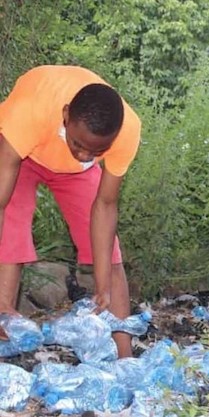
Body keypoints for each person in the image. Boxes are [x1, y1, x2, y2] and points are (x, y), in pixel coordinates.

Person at [0, 65, 141, 358]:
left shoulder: (126, 130)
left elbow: (105, 205)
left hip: (74, 174)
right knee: (11, 227)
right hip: (22, 153)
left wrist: (101, 286)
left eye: (96, 151)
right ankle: (3, 328)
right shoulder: (32, 107)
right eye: (79, 144)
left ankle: (125, 357)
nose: (85, 155)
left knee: (110, 253)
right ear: (66, 114)